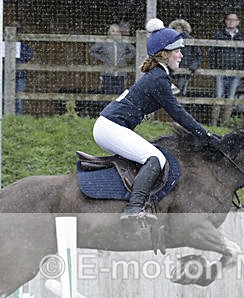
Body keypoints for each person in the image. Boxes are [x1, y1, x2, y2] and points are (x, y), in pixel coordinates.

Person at [92, 18, 220, 223]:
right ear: (164, 54)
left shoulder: (160, 76)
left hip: (112, 127)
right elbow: (178, 113)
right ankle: (133, 209)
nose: (181, 55)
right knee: (156, 159)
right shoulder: (159, 79)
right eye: (177, 51)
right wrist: (206, 135)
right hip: (110, 128)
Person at [208, 12, 244, 125]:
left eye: (233, 19)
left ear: (238, 22)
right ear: (225, 21)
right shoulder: (218, 35)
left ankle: (225, 122)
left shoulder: (241, 37)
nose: (231, 21)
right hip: (220, 71)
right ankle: (214, 122)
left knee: (231, 98)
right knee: (219, 96)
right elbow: (212, 53)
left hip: (236, 72)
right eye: (229, 19)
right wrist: (214, 68)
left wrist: (243, 70)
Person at [89, 24, 136, 95]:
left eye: (117, 31)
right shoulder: (104, 42)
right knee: (108, 93)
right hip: (108, 73)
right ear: (109, 33)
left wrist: (125, 58)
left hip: (121, 73)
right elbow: (91, 51)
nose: (115, 33)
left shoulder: (124, 42)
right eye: (113, 31)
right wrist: (102, 58)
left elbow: (133, 51)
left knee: (120, 94)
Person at [168, 19, 201, 96]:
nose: (178, 30)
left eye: (180, 28)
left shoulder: (190, 40)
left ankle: (179, 106)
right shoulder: (169, 39)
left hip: (185, 69)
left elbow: (198, 55)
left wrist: (193, 66)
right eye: (176, 28)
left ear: (184, 29)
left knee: (181, 90)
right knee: (169, 90)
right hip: (171, 70)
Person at [14, 28, 33, 115]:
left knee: (18, 98)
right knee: (4, 97)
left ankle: (17, 116)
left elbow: (29, 55)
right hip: (6, 75)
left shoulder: (23, 46)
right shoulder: (4, 45)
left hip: (19, 75)